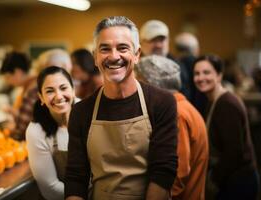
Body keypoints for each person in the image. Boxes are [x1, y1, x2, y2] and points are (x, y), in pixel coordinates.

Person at [65, 16, 178, 200]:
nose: (114, 56)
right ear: (95, 57)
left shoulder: (162, 102)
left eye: (123, 48)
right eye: (105, 49)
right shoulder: (81, 111)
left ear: (137, 54)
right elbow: (76, 177)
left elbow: (163, 170)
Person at [136, 55, 209, 200]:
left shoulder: (176, 114)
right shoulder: (183, 106)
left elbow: (176, 175)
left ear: (152, 85)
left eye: (139, 83)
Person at [193, 54, 259, 200]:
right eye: (197, 73)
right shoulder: (213, 99)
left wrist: (213, 179)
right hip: (231, 176)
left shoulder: (226, 104)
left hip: (239, 180)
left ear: (219, 75)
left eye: (207, 72)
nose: (201, 78)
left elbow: (234, 151)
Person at [26, 66, 76, 200]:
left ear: (73, 90)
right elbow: (50, 188)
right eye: (50, 91)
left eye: (63, 88)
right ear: (41, 97)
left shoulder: (89, 115)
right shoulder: (36, 130)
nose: (59, 96)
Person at [140, 20, 191, 101]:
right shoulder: (133, 67)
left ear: (168, 41)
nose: (158, 45)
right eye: (153, 40)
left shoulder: (178, 67)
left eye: (162, 40)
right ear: (141, 42)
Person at [0, 51, 38, 140]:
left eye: (8, 77)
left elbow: (21, 130)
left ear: (18, 72)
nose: (7, 82)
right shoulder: (33, 84)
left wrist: (10, 131)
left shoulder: (32, 90)